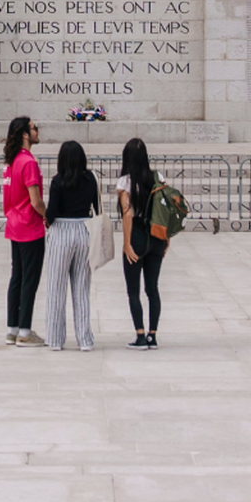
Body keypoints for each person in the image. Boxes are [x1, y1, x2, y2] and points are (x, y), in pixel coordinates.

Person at [40, 138, 99, 351]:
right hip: (83, 230)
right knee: (81, 288)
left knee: (56, 287)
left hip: (62, 231)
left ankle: (55, 339)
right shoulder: (90, 178)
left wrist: (47, 219)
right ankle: (85, 340)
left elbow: (52, 212)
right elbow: (97, 207)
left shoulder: (58, 181)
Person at [1, 115, 45, 344]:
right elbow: (35, 200)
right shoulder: (28, 162)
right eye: (34, 128)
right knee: (30, 279)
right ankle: (25, 332)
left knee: (16, 277)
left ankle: (13, 329)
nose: (38, 131)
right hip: (30, 226)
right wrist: (48, 217)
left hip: (14, 225)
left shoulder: (12, 161)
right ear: (25, 134)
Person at [117, 136, 165, 348]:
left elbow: (127, 214)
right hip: (156, 236)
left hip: (136, 234)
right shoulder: (158, 177)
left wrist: (127, 244)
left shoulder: (125, 182)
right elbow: (165, 211)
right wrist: (167, 239)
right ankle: (153, 336)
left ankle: (140, 334)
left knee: (133, 290)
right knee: (152, 288)